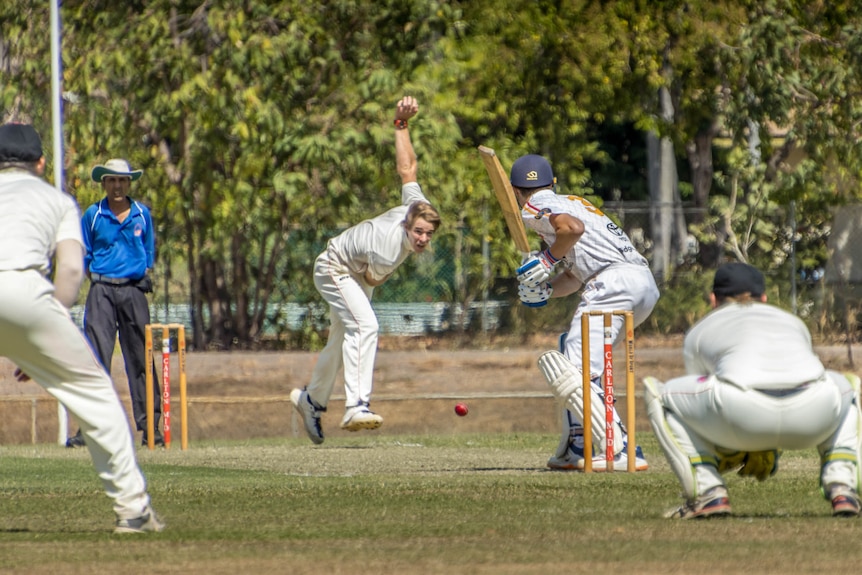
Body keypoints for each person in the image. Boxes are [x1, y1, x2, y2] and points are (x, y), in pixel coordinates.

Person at [0, 122, 163, 532]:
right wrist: (39, 336)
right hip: (27, 295)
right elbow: (72, 270)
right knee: (96, 397)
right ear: (40, 162)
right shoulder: (58, 201)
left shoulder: (135, 212)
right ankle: (134, 510)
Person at [642, 262, 861, 518]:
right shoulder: (793, 321)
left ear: (714, 299)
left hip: (741, 412)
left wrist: (740, 446)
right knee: (848, 386)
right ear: (764, 298)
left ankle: (707, 491)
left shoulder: (699, 330)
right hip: (814, 412)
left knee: (658, 393)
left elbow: (700, 407)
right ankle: (842, 486)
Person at [290, 95, 441, 444]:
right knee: (365, 325)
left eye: (428, 234)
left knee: (342, 336)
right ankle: (356, 405)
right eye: (418, 232)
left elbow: (408, 170)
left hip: (355, 270)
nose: (422, 239)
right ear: (407, 226)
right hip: (335, 267)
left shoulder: (418, 206)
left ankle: (311, 401)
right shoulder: (388, 246)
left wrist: (401, 125)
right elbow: (374, 278)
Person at [511, 154, 659, 471]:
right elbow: (577, 275)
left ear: (516, 190)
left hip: (613, 283)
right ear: (552, 183)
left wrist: (546, 261)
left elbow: (571, 230)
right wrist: (547, 288)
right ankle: (579, 443)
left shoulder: (533, 207)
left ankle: (618, 447)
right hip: (641, 284)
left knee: (573, 370)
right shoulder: (573, 201)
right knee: (577, 359)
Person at [66, 157, 161, 448]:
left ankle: (151, 430)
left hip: (133, 292)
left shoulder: (141, 214)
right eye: (112, 180)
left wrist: (135, 276)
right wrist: (98, 279)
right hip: (102, 292)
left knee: (141, 361)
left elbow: (148, 253)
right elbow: (84, 253)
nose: (117, 186)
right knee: (95, 360)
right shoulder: (93, 215)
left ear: (129, 183)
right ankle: (89, 429)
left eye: (122, 180)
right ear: (104, 183)